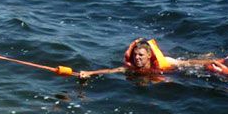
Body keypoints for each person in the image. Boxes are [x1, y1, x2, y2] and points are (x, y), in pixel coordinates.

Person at [77, 38, 210, 79]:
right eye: (135, 55)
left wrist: (213, 62)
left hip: (172, 70)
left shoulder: (165, 62)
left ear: (149, 55)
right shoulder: (131, 67)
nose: (137, 58)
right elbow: (110, 71)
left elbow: (189, 63)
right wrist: (89, 73)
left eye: (140, 55)